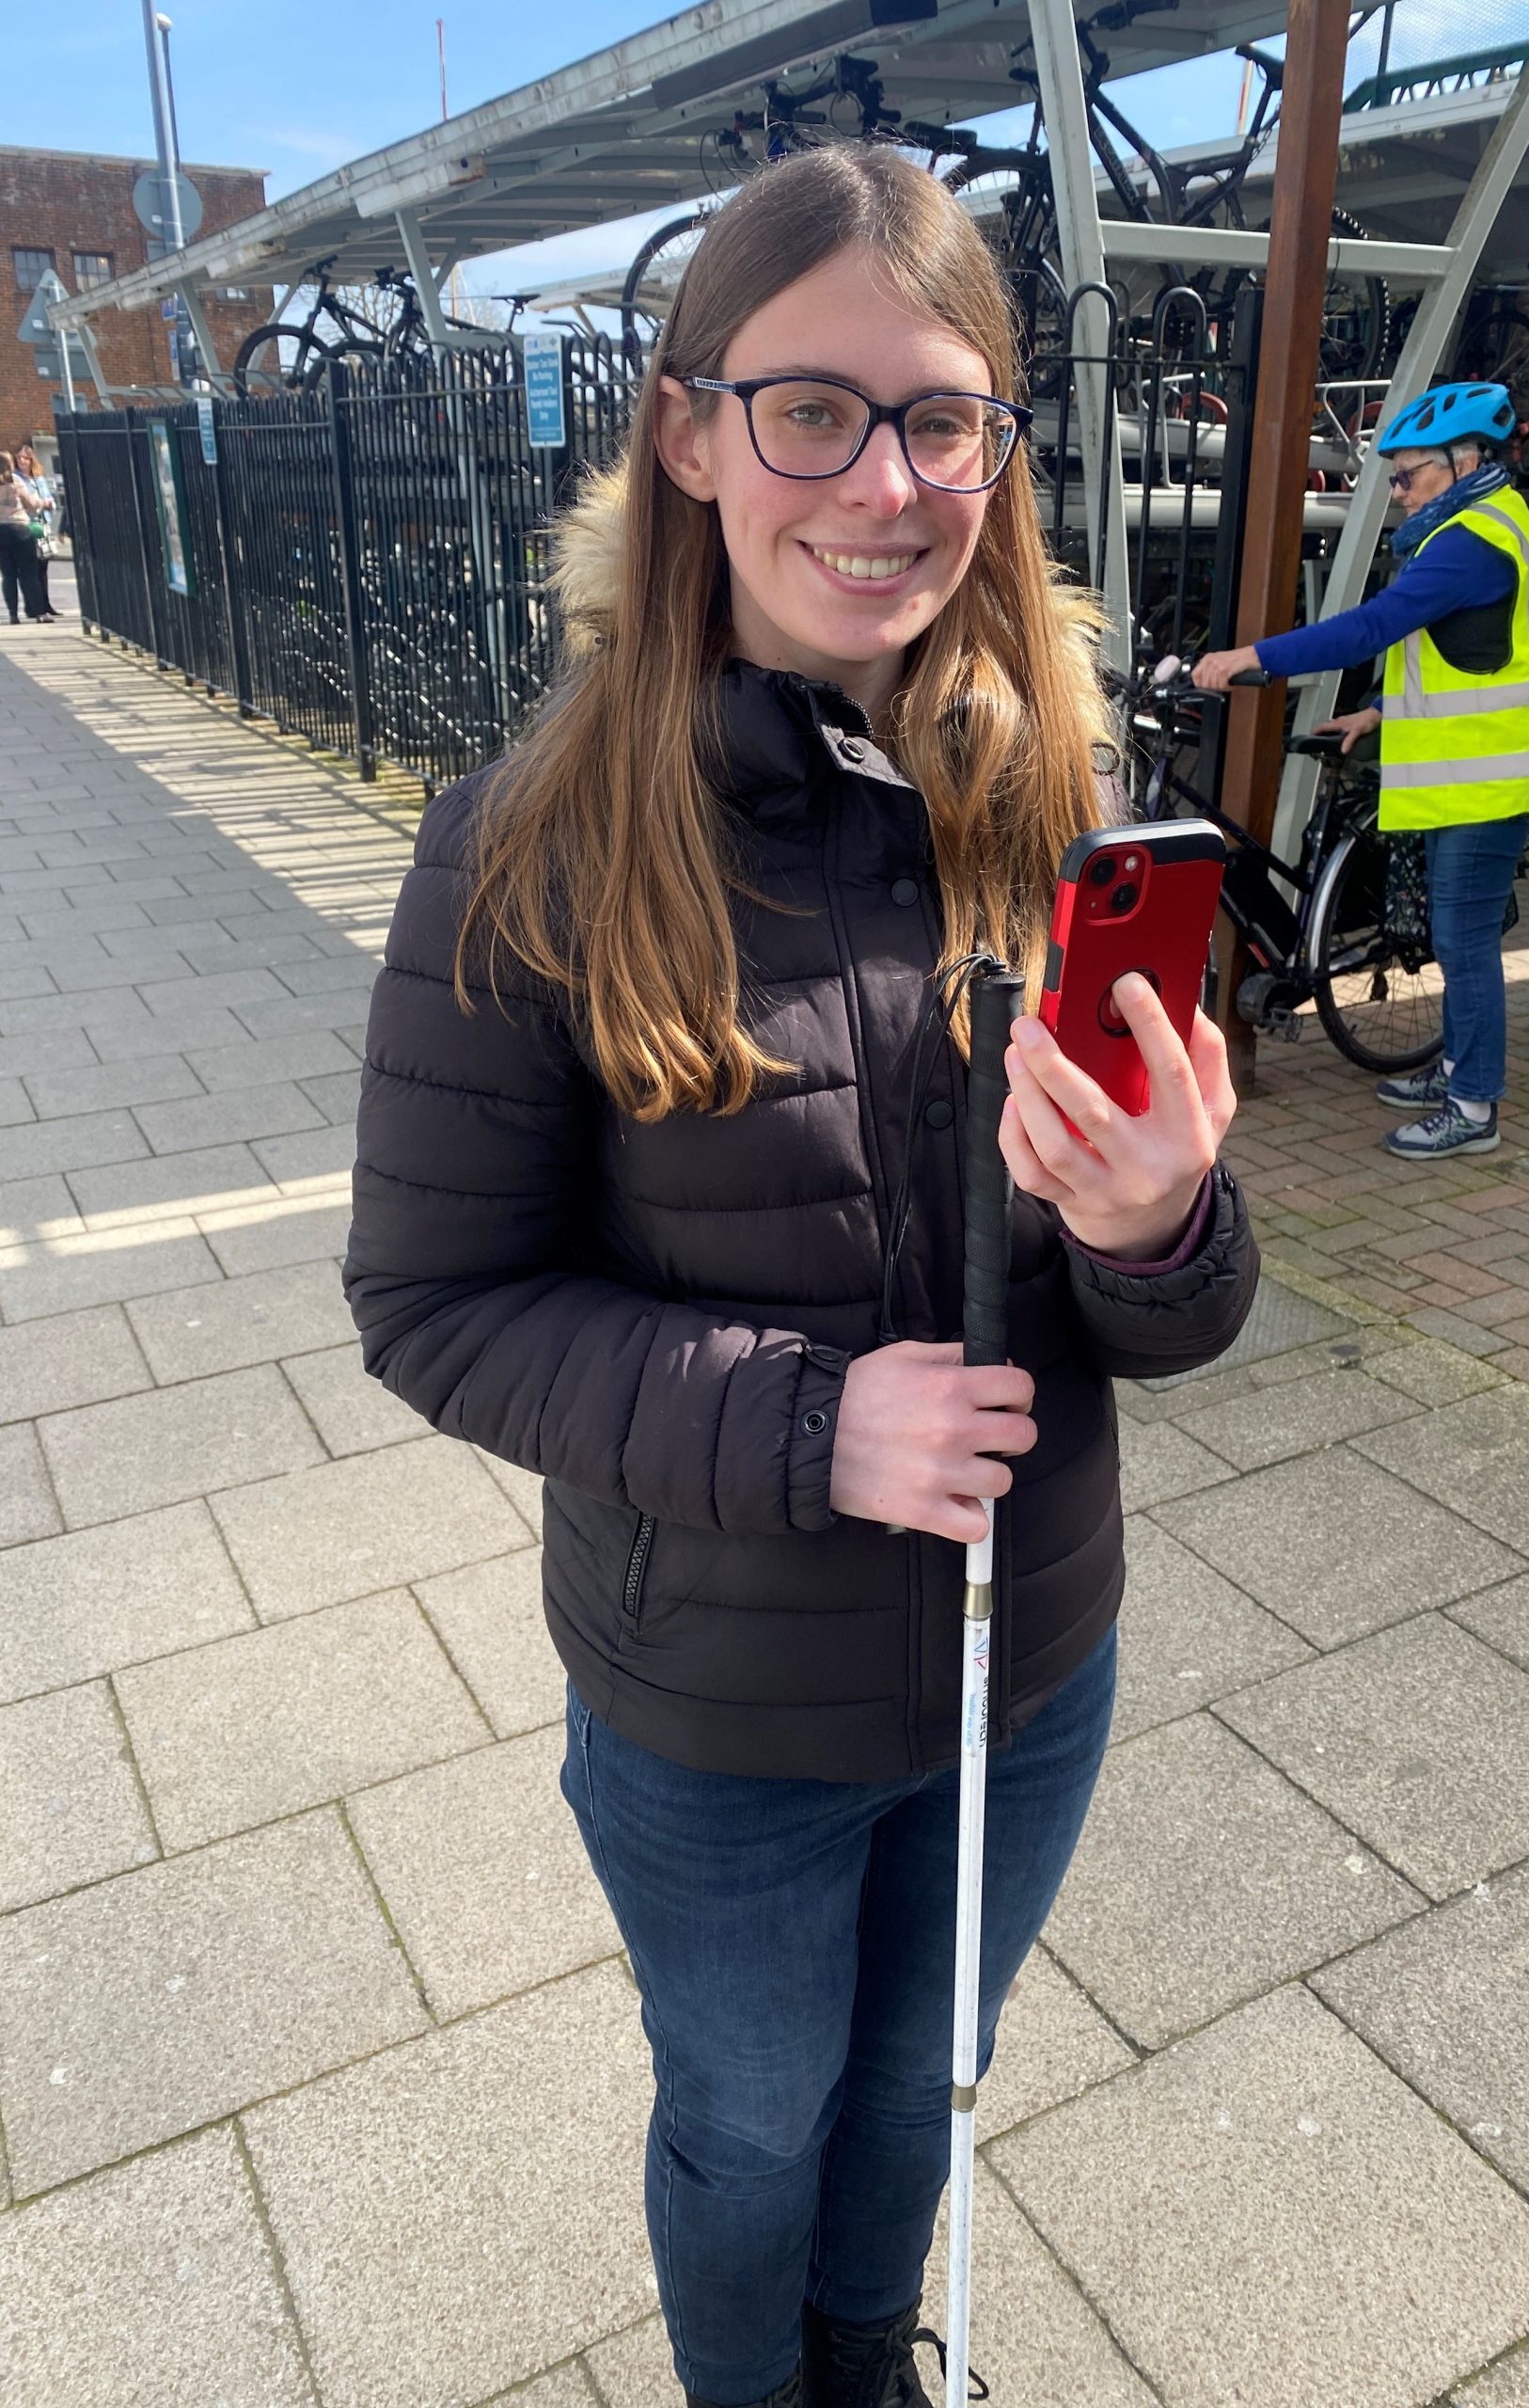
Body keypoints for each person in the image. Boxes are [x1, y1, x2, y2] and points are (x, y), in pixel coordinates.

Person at [344, 148, 1257, 2408]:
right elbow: (434, 1303)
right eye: (811, 411)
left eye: (942, 417)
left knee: (915, 2088)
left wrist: (1161, 1221)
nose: (885, 481)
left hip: (1026, 1657)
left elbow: (1173, 1309)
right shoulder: (532, 841)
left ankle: (866, 2356)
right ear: (686, 434)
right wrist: (809, 1420)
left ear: (1002, 450)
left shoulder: (1056, 791)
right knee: (751, 2117)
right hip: (720, 1713)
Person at [1193, 382, 1529, 1159]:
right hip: (1473, 774)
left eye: (1408, 475)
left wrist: (1254, 660)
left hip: (1488, 784)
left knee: (1464, 946)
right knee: (1454, 936)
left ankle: (1473, 1108)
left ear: (1464, 463)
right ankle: (1458, 1071)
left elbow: (1372, 627)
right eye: (1393, 477)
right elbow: (1468, 660)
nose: (1398, 491)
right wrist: (1380, 715)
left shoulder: (1472, 541)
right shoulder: (1475, 528)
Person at [11, 444, 59, 622]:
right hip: (28, 524)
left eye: (25, 458)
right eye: (19, 458)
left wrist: (47, 503)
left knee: (43, 566)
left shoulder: (39, 479)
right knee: (30, 567)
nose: (21, 461)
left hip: (43, 523)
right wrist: (39, 503)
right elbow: (26, 502)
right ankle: (33, 607)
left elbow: (50, 498)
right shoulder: (16, 479)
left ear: (31, 460)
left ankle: (46, 604)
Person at [0, 452, 47, 626]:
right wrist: (41, 502)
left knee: (8, 575)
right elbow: (31, 503)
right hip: (20, 529)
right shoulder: (15, 481)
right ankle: (39, 613)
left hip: (0, 531)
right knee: (29, 574)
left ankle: (13, 614)